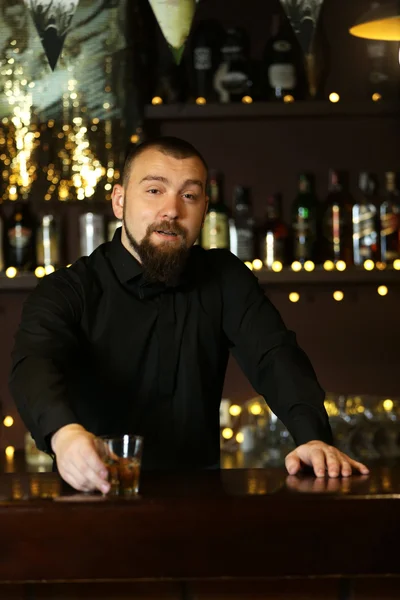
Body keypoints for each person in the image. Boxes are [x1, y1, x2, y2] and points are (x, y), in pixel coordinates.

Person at [10, 136, 369, 494]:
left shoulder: (225, 278)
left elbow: (275, 356)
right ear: (119, 201)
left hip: (199, 506)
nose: (172, 210)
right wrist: (64, 434)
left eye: (189, 196)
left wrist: (313, 438)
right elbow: (33, 364)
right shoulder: (67, 289)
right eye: (154, 190)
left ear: (204, 209)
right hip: (94, 499)